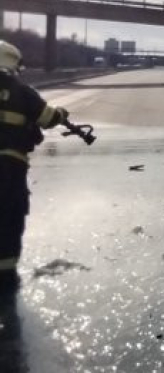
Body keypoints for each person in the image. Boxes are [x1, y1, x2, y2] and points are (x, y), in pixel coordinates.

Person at [0, 41, 68, 293]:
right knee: (8, 219)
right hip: (9, 168)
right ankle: (6, 279)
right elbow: (49, 118)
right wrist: (62, 113)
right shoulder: (21, 91)